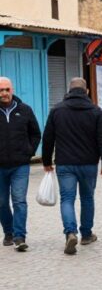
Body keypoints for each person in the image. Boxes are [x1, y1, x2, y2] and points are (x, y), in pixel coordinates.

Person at [42, 77, 102, 255]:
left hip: (65, 164)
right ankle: (86, 234)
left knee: (67, 199)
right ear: (86, 91)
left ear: (69, 90)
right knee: (87, 198)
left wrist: (47, 161)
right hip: (88, 164)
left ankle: (70, 232)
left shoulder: (57, 110)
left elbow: (48, 137)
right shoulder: (96, 111)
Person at [0, 77, 41, 252]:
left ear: (12, 90)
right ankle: (8, 232)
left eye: (7, 89)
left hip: (20, 165)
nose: (4, 93)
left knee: (19, 201)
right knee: (1, 202)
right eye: (1, 90)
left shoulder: (25, 110)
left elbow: (36, 133)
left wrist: (29, 152)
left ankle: (19, 236)